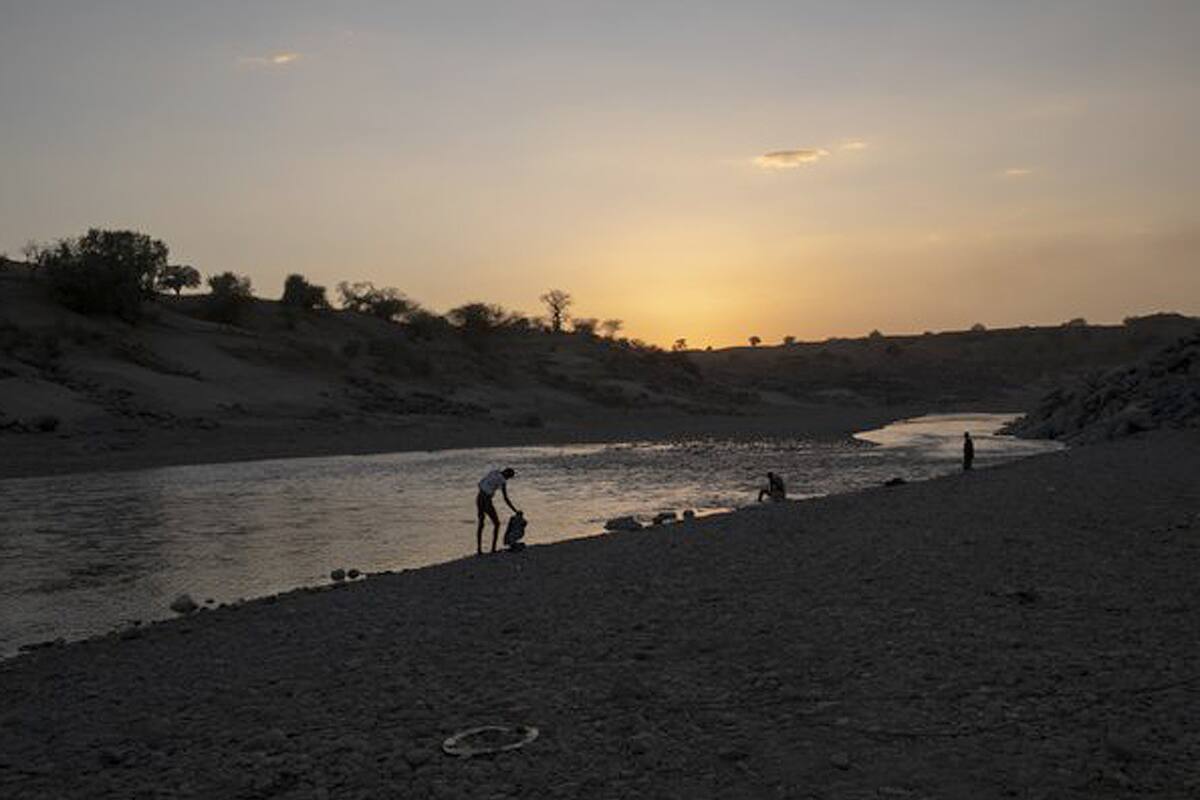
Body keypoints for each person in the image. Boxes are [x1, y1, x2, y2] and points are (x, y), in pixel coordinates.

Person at [476, 467, 518, 554]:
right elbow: (505, 498)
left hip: (479, 497)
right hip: (486, 500)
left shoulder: (494, 471)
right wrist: (515, 510)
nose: (507, 479)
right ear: (507, 474)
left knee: (481, 524)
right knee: (497, 523)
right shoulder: (502, 481)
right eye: (509, 477)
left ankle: (479, 549)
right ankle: (493, 549)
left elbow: (480, 483)